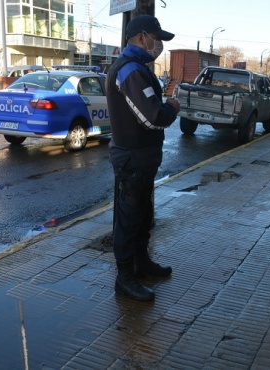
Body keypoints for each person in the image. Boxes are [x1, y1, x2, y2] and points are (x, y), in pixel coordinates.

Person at [105, 15, 181, 300]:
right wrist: (172, 106)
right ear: (141, 37)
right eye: (156, 37)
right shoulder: (131, 71)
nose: (158, 43)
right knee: (128, 217)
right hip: (133, 159)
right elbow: (154, 118)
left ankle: (142, 262)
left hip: (141, 158)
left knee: (142, 215)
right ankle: (124, 278)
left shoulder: (135, 68)